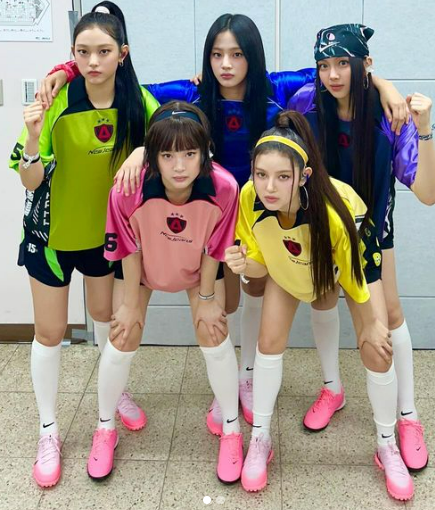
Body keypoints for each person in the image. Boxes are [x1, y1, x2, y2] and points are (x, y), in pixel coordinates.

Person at [38, 13, 408, 435]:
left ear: (253, 56)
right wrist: (72, 76)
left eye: (236, 54)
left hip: (259, 211)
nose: (226, 64)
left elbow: (336, 71)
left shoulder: (276, 89)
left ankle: (245, 377)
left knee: (253, 290)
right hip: (209, 212)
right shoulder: (194, 92)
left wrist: (385, 86)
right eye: (217, 54)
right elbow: (127, 88)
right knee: (221, 304)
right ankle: (227, 384)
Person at [225, 110, 415, 501]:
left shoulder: (335, 211)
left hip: (345, 264)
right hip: (289, 266)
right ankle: (260, 438)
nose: (269, 187)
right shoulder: (248, 198)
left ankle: (386, 444)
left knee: (377, 348)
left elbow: (356, 277)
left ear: (304, 176)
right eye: (261, 174)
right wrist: (244, 266)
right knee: (268, 343)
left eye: (282, 177)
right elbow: (260, 261)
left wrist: (371, 323)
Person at [8, 10, 158, 487]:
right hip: (51, 237)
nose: (93, 61)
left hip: (105, 237)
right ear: (71, 56)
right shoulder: (57, 99)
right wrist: (34, 139)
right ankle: (48, 430)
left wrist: (144, 149)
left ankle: (114, 394)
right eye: (83, 52)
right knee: (50, 332)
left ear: (122, 55)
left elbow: (171, 137)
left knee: (106, 319)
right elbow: (30, 178)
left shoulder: (138, 101)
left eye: (103, 51)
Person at [288, 23, 435, 473]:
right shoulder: (306, 102)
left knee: (389, 316)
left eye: (344, 63)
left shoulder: (389, 115)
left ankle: (407, 415)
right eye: (324, 64)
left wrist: (424, 129)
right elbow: (258, 80)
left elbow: (429, 194)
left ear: (365, 63)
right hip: (322, 227)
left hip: (373, 230)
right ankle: (332, 389)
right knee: (322, 299)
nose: (333, 74)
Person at [91, 101, 242, 483]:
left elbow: (216, 247)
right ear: (152, 157)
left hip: (198, 267)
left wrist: (206, 300)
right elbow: (128, 247)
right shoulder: (128, 190)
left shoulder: (225, 188)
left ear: (204, 153)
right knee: (123, 332)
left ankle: (232, 428)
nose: (179, 166)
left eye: (189, 154)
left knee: (213, 330)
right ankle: (105, 427)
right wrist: (129, 304)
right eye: (168, 155)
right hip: (143, 266)